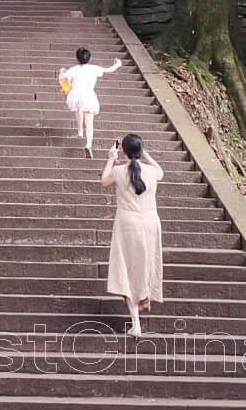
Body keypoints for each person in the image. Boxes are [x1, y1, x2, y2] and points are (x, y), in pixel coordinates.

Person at [101, 133, 164, 338]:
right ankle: (144, 297)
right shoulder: (152, 171)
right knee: (146, 265)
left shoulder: (119, 171)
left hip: (128, 224)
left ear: (124, 151)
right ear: (140, 150)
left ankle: (136, 323)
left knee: (127, 270)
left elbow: (104, 181)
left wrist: (111, 157)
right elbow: (161, 172)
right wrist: (145, 155)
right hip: (150, 222)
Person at [58, 48, 123, 154]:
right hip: (88, 94)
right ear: (89, 58)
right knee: (89, 122)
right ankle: (88, 144)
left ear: (76, 58)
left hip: (75, 94)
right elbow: (109, 70)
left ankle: (80, 131)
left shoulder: (73, 69)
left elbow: (62, 78)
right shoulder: (94, 68)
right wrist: (118, 64)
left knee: (78, 111)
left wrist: (62, 71)